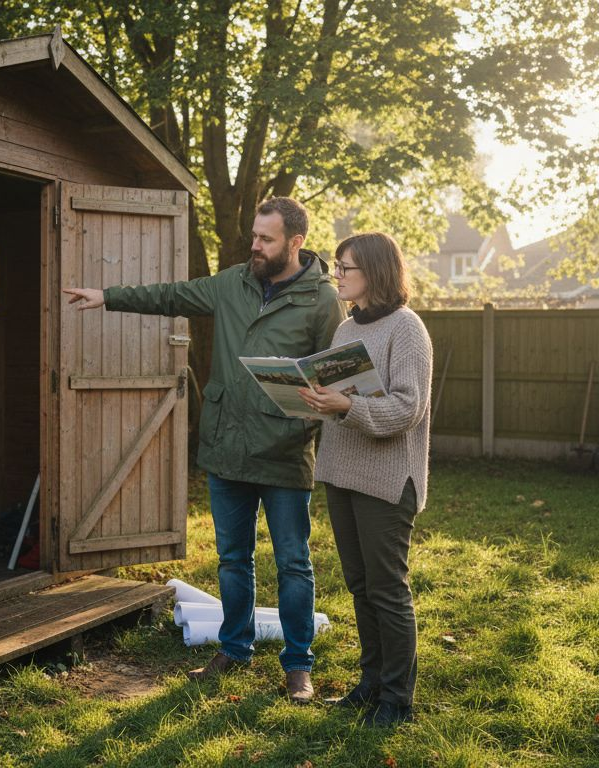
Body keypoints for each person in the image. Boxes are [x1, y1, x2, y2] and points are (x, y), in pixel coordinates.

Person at [63, 197, 342, 704]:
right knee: (234, 559)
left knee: (294, 563)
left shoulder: (322, 300)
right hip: (225, 447)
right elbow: (170, 295)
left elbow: (333, 377)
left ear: (295, 243)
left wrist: (315, 409)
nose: (254, 246)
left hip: (284, 451)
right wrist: (108, 295)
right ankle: (234, 649)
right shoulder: (232, 282)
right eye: (254, 236)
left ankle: (299, 666)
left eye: (266, 239)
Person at [296, 232, 433, 726]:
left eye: (345, 267)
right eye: (336, 265)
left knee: (388, 589)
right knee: (359, 585)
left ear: (374, 272)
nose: (337, 275)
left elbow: (407, 407)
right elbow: (339, 401)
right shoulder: (344, 330)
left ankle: (397, 700)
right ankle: (371, 684)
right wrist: (310, 400)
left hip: (387, 478)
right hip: (342, 472)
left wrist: (347, 405)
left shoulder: (407, 328)